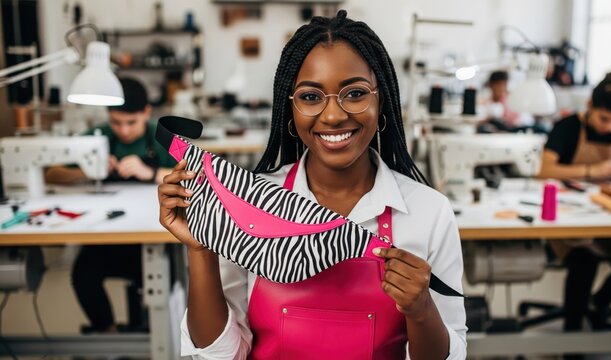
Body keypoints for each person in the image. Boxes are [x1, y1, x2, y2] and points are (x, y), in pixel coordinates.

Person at [158, 10, 467, 359]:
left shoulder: (428, 213)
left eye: (354, 93)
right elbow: (218, 354)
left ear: (382, 102)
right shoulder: (248, 205)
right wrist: (201, 249)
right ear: (289, 109)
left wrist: (423, 310)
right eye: (310, 97)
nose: (333, 116)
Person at [45, 77, 177, 333]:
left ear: (147, 112)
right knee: (83, 275)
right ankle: (108, 332)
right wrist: (85, 171)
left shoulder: (160, 138)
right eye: (116, 122)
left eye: (131, 122)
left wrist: (149, 173)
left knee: (162, 275)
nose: (124, 131)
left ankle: (157, 336)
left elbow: (194, 177)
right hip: (106, 234)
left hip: (149, 236)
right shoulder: (97, 137)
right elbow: (52, 174)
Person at [538, 72, 611, 333]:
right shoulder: (566, 127)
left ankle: (596, 304)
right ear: (590, 105)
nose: (610, 126)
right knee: (584, 263)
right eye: (605, 119)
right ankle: (572, 336)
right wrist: (592, 171)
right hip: (570, 217)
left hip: (607, 216)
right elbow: (545, 169)